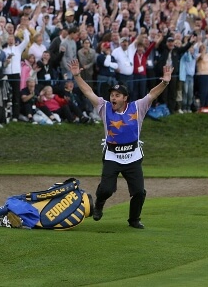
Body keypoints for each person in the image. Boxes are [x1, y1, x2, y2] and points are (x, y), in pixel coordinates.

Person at [68, 58, 174, 229]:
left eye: (117, 95)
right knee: (106, 189)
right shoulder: (104, 107)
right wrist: (77, 76)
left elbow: (152, 94)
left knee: (139, 192)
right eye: (112, 95)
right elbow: (88, 92)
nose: (113, 98)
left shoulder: (138, 107)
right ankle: (99, 204)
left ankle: (134, 220)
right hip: (112, 155)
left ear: (125, 98)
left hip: (133, 156)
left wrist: (165, 82)